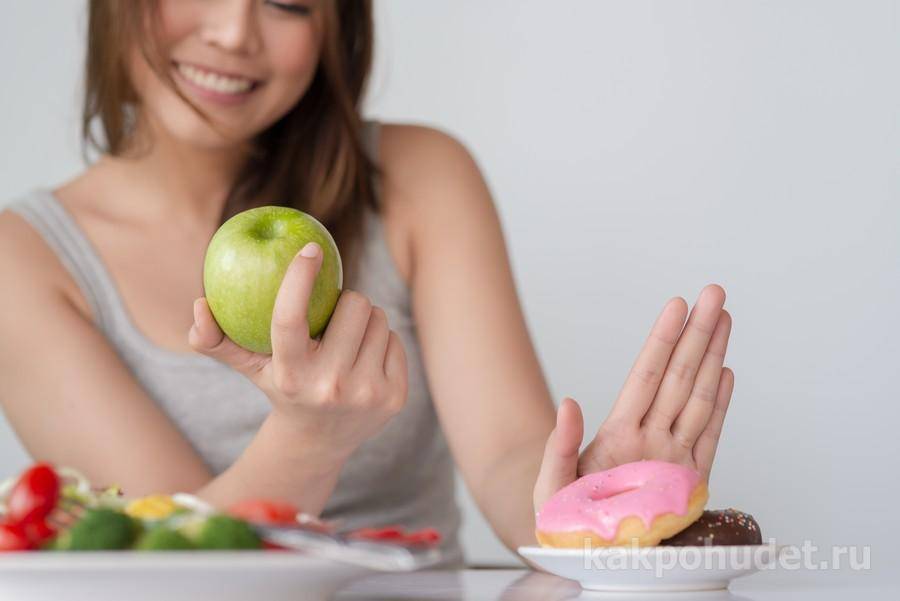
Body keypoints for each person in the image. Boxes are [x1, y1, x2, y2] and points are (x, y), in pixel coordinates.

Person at [0, 1, 733, 567]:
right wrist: (309, 439)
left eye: (288, 2)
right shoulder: (22, 260)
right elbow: (168, 561)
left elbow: (510, 452)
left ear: (336, 29)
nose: (233, 33)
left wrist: (581, 507)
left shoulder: (422, 178)